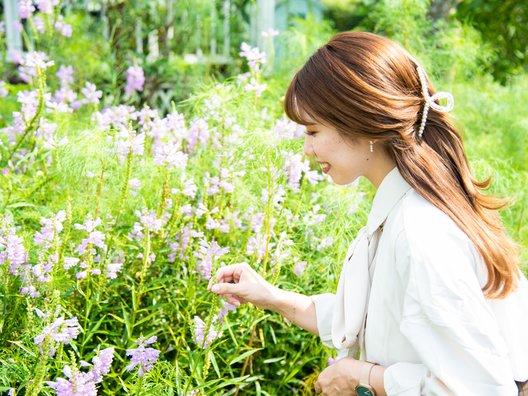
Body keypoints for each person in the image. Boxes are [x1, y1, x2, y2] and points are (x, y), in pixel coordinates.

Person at [209, 31, 528, 395]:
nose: (307, 150)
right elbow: (368, 319)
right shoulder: (410, 210)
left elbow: (484, 389)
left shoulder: (420, 233)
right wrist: (271, 296)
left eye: (313, 130)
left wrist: (364, 378)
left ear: (360, 121)